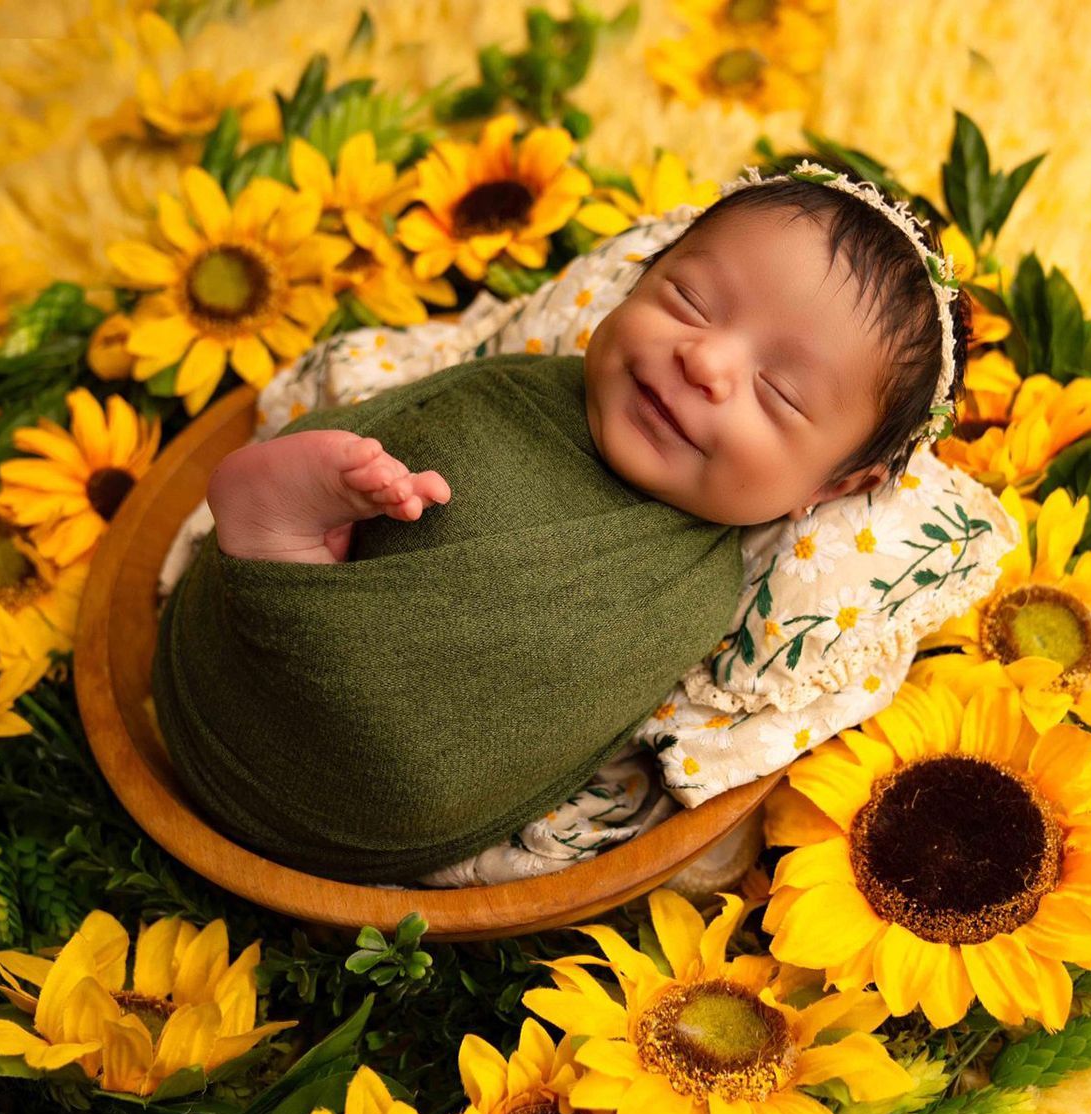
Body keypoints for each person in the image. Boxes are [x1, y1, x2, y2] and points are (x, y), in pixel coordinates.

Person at [151, 163, 973, 883]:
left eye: (780, 394)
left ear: (833, 486)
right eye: (687, 300)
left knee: (420, 763)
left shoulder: (701, 594)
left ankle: (280, 556)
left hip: (361, 800)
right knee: (394, 460)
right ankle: (288, 558)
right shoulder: (519, 387)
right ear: (637, 282)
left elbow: (571, 734)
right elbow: (405, 413)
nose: (707, 362)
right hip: (214, 663)